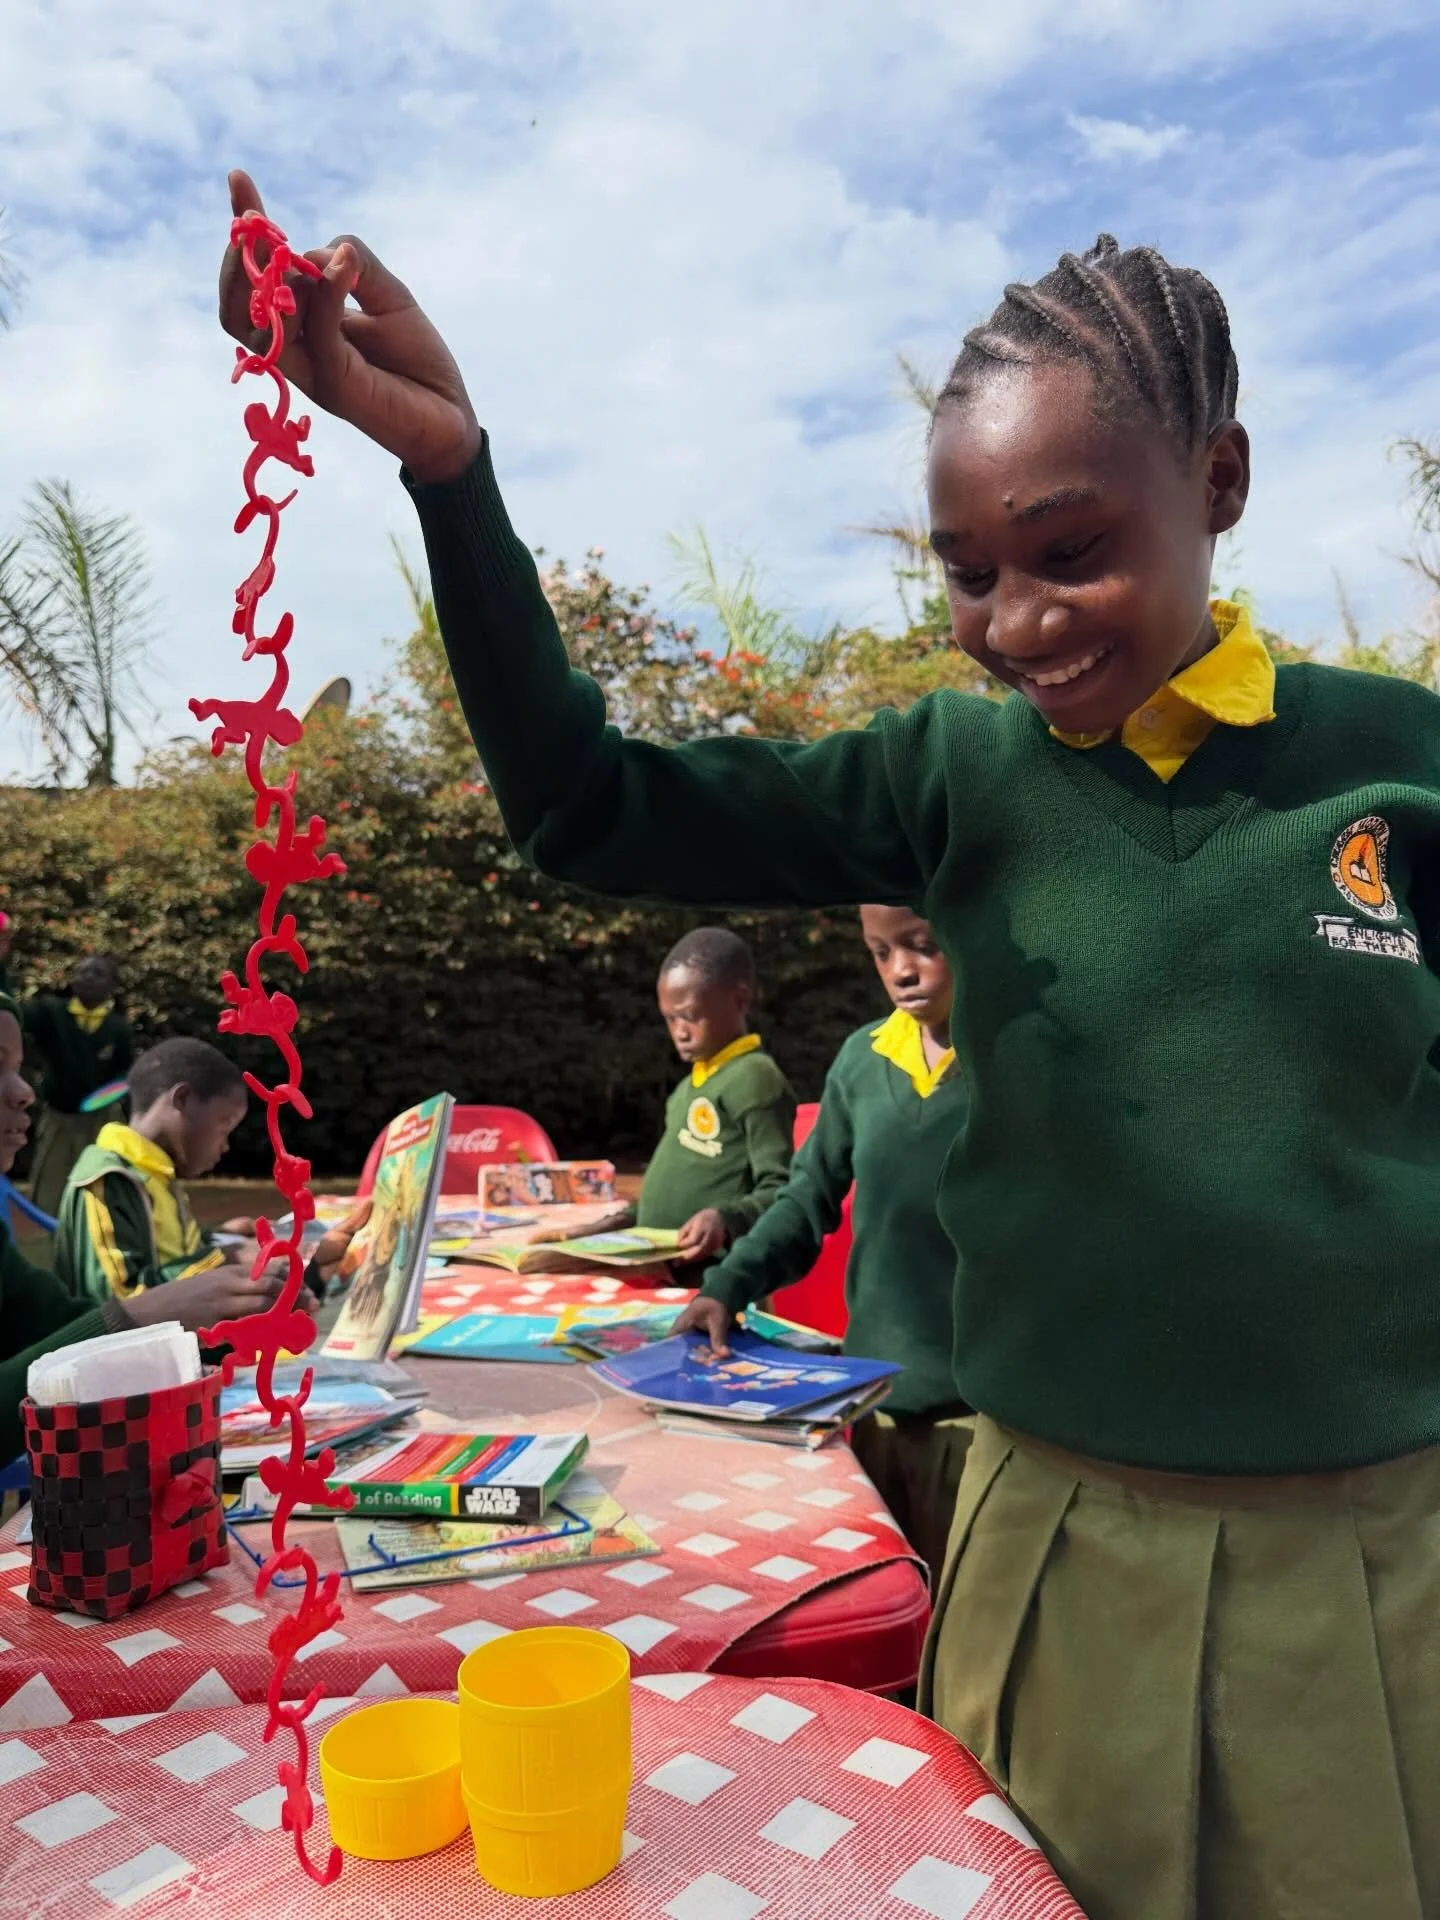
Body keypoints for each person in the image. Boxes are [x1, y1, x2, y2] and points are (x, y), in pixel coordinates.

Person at [220, 176, 1440, 1917]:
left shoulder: (1396, 767)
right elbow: (588, 805)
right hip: (1065, 1551)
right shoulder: (957, 778)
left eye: (1070, 548)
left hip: (1381, 1564)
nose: (1016, 621)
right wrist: (448, 473)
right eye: (968, 572)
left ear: (1220, 484)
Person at [675, 906, 971, 1586]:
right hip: (873, 1403)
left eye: (924, 945)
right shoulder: (863, 1061)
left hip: (985, 1420)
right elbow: (806, 1198)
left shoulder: (1023, 1063)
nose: (901, 969)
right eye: (880, 951)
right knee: (881, 1597)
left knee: (965, 1630)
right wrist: (726, 1286)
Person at [0, 994, 282, 1462]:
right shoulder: (108, 1177)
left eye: (18, 1067)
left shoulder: (162, 1174)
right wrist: (147, 1315)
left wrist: (225, 1317)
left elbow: (56, 1319)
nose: (24, 1091)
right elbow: (120, 1296)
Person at [54, 1036, 365, 1306]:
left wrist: (220, 1237)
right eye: (224, 1125)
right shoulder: (109, 1179)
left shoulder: (158, 1173)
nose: (225, 1146)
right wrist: (227, 1258)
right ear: (183, 1099)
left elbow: (169, 1257)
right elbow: (119, 1303)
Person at [636, 927, 795, 1264]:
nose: (680, 1031)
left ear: (739, 999)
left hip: (715, 1278)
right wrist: (619, 1220)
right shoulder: (687, 1087)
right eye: (670, 1018)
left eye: (691, 1016)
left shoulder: (755, 1078)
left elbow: (782, 1187)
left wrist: (725, 1219)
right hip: (658, 1270)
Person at [24, 954, 134, 1216]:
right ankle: (54, 1231)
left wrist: (97, 1101)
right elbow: (16, 1016)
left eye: (97, 973)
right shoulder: (51, 1013)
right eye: (82, 971)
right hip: (58, 1115)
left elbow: (125, 1075)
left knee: (103, 1182)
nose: (87, 977)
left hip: (101, 1119)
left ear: (111, 986)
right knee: (51, 1186)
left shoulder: (117, 1029)